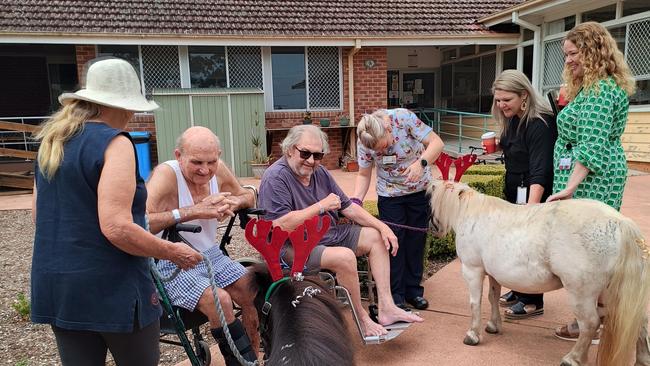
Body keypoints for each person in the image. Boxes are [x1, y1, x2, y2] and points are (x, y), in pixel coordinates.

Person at [31, 58, 203, 366]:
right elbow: (117, 228)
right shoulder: (115, 143)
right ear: (121, 106)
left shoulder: (52, 142)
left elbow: (39, 218)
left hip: (60, 288)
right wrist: (172, 252)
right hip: (112, 286)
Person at [258, 124, 424, 337]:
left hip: (327, 235)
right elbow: (279, 226)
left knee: (376, 237)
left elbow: (348, 207)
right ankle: (362, 318)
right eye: (305, 153)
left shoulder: (320, 172)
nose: (311, 161)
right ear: (289, 149)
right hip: (294, 247)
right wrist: (321, 206)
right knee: (345, 257)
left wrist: (383, 227)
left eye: (317, 155)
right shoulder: (276, 177)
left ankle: (387, 307)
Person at [546, 21, 636, 342]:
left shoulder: (600, 91)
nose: (568, 60)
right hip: (585, 176)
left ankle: (600, 321)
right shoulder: (589, 87)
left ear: (592, 51)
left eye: (573, 53)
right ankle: (596, 317)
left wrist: (570, 187)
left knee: (591, 250)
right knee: (592, 249)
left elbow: (592, 144)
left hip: (592, 180)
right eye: (566, 54)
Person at [146, 126, 259, 365]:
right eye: (196, 162)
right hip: (170, 258)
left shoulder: (218, 171)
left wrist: (231, 202)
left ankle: (256, 354)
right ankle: (240, 362)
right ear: (179, 156)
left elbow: (248, 195)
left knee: (253, 288)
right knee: (220, 300)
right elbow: (141, 223)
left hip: (211, 255)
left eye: (211, 162)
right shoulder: (167, 175)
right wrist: (194, 210)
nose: (205, 170)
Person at [352, 108, 444, 310]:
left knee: (415, 241)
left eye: (384, 145)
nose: (383, 152)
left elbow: (437, 143)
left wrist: (421, 164)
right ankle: (395, 295)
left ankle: (413, 291)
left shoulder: (403, 118)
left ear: (388, 128)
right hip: (389, 196)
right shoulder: (364, 141)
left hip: (419, 191)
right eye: (378, 151)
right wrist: (356, 201)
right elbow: (363, 174)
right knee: (393, 243)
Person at [486, 69, 557, 319]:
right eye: (498, 100)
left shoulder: (540, 124)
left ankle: (533, 300)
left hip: (532, 194)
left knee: (529, 246)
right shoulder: (513, 118)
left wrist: (530, 209)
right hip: (515, 191)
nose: (501, 104)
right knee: (515, 245)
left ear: (524, 95)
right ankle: (519, 289)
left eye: (507, 100)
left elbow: (541, 168)